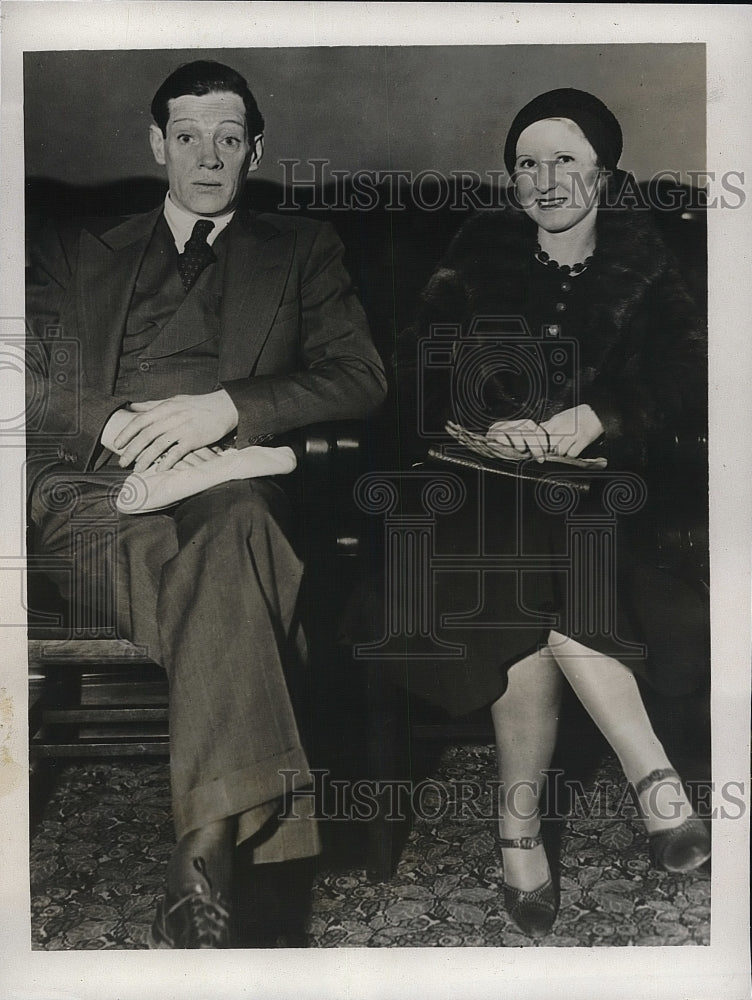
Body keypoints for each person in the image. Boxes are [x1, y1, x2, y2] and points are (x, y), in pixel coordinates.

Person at [26, 60, 386, 948]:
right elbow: (22, 376)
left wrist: (229, 407)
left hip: (231, 473)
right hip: (96, 488)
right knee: (229, 574)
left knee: (237, 531)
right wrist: (112, 422)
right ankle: (218, 834)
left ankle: (203, 846)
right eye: (188, 137)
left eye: (230, 139)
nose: (209, 157)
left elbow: (361, 377)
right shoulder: (78, 250)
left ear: (255, 149)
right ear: (158, 145)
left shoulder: (303, 249)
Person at [389, 89, 710, 938]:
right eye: (527, 162)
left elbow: (690, 371)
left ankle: (517, 835)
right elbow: (419, 363)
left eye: (565, 158)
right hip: (480, 486)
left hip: (603, 494)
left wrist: (597, 417)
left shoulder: (646, 257)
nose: (545, 178)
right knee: (519, 545)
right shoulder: (477, 250)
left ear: (605, 172)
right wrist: (492, 421)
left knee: (539, 564)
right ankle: (654, 780)